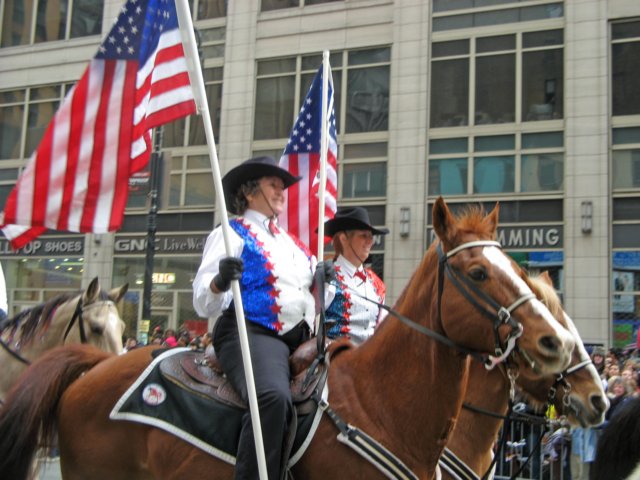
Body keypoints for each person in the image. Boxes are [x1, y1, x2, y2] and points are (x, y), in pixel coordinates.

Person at [192, 156, 331, 480]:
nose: (282, 190)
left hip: (301, 337)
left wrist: (326, 279)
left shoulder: (294, 244)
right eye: (274, 184)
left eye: (283, 185)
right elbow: (202, 301)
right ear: (251, 192)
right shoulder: (230, 233)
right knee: (272, 397)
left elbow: (312, 294)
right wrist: (220, 281)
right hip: (252, 332)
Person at [322, 207, 389, 345]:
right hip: (334, 361)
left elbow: (383, 328)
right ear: (343, 238)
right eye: (364, 236)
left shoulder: (376, 284)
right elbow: (312, 322)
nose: (370, 241)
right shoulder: (328, 276)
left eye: (371, 236)